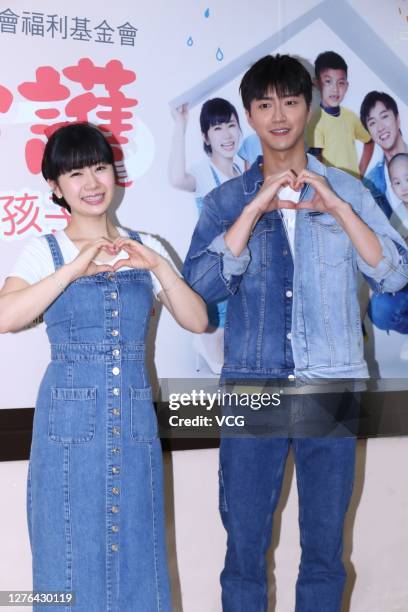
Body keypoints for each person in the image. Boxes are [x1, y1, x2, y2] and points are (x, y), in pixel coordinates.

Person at [183, 54, 408, 611]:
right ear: (250, 116)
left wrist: (335, 204)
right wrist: (257, 203)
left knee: (324, 554)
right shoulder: (224, 201)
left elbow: (394, 272)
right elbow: (203, 285)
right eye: (265, 105)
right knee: (243, 556)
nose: (278, 115)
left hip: (330, 386)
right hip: (252, 387)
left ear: (309, 107)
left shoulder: (350, 191)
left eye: (290, 101)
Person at [0, 122, 207, 611]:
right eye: (75, 174)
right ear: (55, 187)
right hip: (67, 431)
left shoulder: (145, 243)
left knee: (138, 551)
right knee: (67, 554)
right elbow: (6, 317)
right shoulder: (44, 251)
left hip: (133, 426)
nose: (91, 183)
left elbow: (198, 321)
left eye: (99, 167)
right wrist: (74, 267)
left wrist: (155, 265)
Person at [169, 98, 242, 374]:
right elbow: (177, 179)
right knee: (223, 360)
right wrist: (180, 126)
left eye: (231, 126)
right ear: (206, 136)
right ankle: (207, 338)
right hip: (215, 268)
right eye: (217, 128)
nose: (227, 135)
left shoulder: (243, 171)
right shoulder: (203, 171)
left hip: (241, 266)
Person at [360, 91, 408, 358]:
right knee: (380, 310)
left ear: (397, 118)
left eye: (384, 117)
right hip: (401, 271)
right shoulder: (372, 184)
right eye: (372, 122)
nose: (380, 127)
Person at [306, 51, 373, 178]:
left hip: (353, 188)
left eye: (340, 83)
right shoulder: (315, 121)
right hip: (331, 190)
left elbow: (369, 141)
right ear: (317, 83)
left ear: (347, 86)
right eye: (328, 81)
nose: (335, 89)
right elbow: (315, 162)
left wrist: (360, 174)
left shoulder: (350, 117)